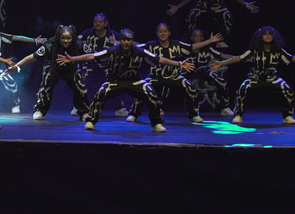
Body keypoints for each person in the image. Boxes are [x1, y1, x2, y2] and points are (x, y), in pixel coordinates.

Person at [57, 28, 195, 133]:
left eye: (129, 40)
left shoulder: (139, 51)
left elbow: (159, 59)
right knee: (100, 94)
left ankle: (156, 123)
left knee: (151, 94)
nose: (126, 42)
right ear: (120, 40)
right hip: (114, 81)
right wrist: (72, 59)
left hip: (134, 81)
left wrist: (179, 64)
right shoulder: (112, 50)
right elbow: (92, 56)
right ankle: (91, 121)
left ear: (132, 40)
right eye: (123, 40)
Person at [210, 26, 295, 125]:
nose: (268, 36)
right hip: (255, 76)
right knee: (242, 89)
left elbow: (291, 58)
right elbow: (239, 58)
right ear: (260, 37)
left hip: (272, 77)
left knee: (287, 89)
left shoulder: (278, 50)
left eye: (270, 34)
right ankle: (238, 115)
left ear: (274, 37)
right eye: (265, 34)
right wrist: (222, 63)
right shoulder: (254, 50)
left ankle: (287, 116)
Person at [129, 23, 223, 124]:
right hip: (154, 76)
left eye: (165, 31)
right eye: (160, 31)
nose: (163, 33)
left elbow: (192, 46)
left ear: (169, 33)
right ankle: (133, 114)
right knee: (142, 88)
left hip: (174, 76)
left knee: (190, 88)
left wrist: (209, 41)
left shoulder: (176, 44)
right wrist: (120, 43)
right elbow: (136, 47)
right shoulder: (151, 45)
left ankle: (194, 115)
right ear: (157, 33)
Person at [5, 25, 90, 121]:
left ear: (72, 37)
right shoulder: (50, 44)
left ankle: (84, 111)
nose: (66, 41)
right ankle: (40, 110)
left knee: (79, 86)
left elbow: (93, 54)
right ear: (58, 37)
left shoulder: (78, 43)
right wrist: (16, 66)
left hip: (71, 69)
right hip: (53, 68)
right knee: (46, 85)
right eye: (63, 38)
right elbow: (33, 57)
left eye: (68, 38)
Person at [77, 13, 124, 116]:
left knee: (113, 83)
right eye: (96, 22)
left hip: (108, 66)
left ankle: (120, 108)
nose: (98, 24)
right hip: (90, 64)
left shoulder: (113, 34)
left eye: (100, 22)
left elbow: (125, 47)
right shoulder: (87, 34)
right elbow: (76, 42)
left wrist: (115, 43)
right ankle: (80, 106)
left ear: (105, 23)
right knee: (82, 81)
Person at [184, 28, 236, 116]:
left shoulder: (207, 48)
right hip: (188, 71)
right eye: (195, 36)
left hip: (203, 71)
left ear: (202, 38)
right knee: (174, 79)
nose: (197, 38)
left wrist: (239, 57)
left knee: (221, 81)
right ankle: (162, 106)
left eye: (199, 36)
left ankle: (225, 107)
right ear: (191, 38)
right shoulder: (186, 48)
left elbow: (222, 56)